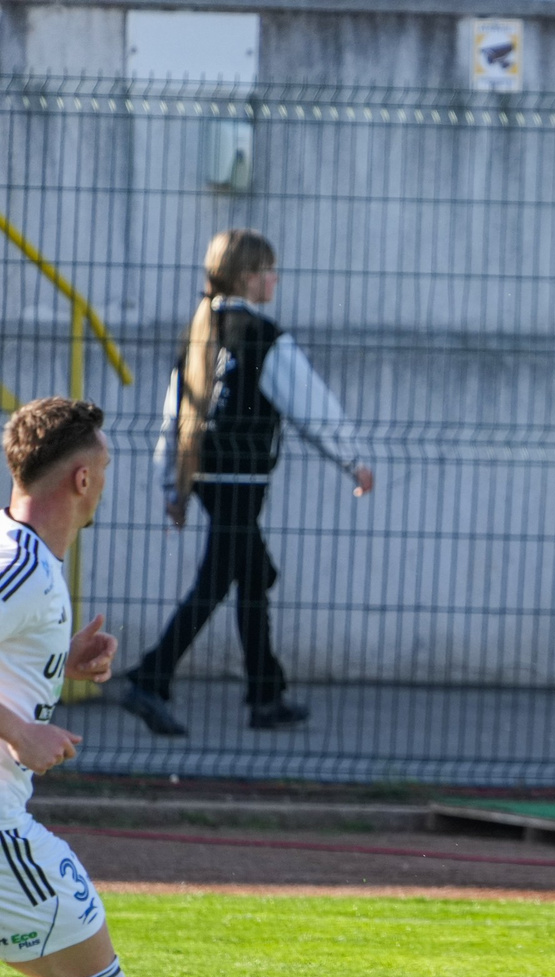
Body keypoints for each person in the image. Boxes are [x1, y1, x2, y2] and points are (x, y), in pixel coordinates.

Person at [124, 228, 375, 739]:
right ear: (246, 277)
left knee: (253, 574)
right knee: (220, 580)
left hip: (210, 480)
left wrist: (173, 487)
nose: (274, 279)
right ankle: (150, 678)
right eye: (267, 271)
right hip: (243, 479)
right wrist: (354, 460)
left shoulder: (201, 331)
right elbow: (312, 406)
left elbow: (175, 417)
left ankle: (266, 693)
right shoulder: (264, 337)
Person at [0, 400, 130, 977]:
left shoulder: (28, 564)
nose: (104, 486)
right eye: (105, 470)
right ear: (81, 477)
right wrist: (22, 732)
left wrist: (60, 669)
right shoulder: (24, 565)